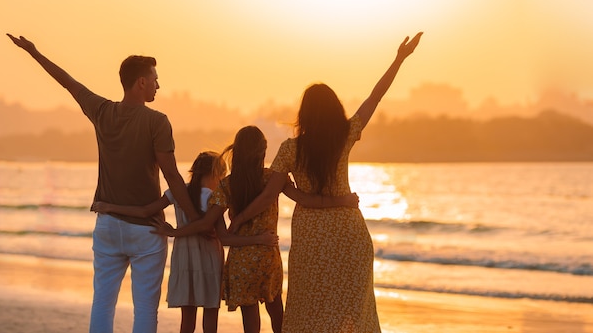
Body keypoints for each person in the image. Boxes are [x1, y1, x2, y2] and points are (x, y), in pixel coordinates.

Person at [230, 32, 423, 333]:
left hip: (311, 240)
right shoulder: (344, 137)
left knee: (310, 313)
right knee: (351, 316)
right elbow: (375, 97)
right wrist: (399, 59)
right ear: (335, 109)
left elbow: (269, 195)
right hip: (350, 235)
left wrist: (239, 218)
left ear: (304, 113)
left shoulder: (291, 149)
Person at [6, 34, 200, 333]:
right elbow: (172, 177)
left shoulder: (102, 111)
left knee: (102, 303)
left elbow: (68, 82)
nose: (158, 85)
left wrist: (34, 52)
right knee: (146, 309)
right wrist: (196, 221)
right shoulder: (157, 121)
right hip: (146, 230)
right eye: (155, 79)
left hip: (108, 225)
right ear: (141, 83)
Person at [152, 126, 358, 333]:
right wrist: (343, 200)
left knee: (251, 322)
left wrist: (174, 232)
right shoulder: (273, 179)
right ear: (263, 152)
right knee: (277, 313)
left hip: (241, 264)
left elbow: (219, 234)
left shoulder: (226, 186)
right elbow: (306, 200)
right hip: (268, 259)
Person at [93, 150, 278, 333]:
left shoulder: (178, 192)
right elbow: (215, 231)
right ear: (216, 174)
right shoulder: (214, 197)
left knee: (187, 321)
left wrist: (109, 207)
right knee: (210, 318)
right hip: (209, 259)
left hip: (184, 258)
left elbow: (145, 211)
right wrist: (258, 237)